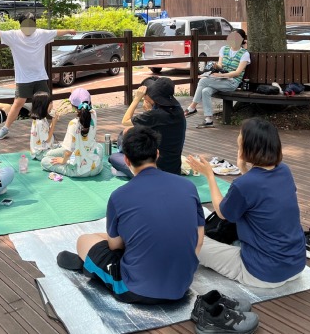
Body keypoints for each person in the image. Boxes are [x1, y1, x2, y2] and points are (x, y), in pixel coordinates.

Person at [56, 126, 205, 304]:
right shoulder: (188, 187)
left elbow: (115, 245)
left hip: (135, 289)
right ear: (157, 154)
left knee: (84, 240)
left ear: (126, 160)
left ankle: (90, 266)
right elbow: (199, 240)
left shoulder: (120, 195)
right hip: (181, 285)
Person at [187, 118, 305, 288]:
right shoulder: (284, 170)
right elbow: (261, 193)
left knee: (190, 239)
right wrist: (244, 169)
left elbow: (222, 212)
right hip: (296, 265)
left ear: (246, 148)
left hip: (262, 273)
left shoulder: (244, 184)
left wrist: (209, 175)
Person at [0, 14, 75, 140]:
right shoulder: (13, 35)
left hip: (40, 76)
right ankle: (5, 128)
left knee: (47, 102)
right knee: (18, 103)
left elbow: (56, 32)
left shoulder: (41, 34)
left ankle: (44, 128)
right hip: (24, 78)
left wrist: (69, 31)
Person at [111, 76, 185, 177]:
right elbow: (159, 127)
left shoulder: (155, 115)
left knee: (114, 157)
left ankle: (123, 154)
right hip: (174, 169)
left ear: (155, 96)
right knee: (127, 133)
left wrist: (137, 98)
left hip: (154, 172)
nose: (145, 96)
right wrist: (149, 111)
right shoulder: (179, 111)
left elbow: (125, 121)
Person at [185, 29, 250, 128]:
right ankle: (208, 119)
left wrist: (221, 75)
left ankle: (192, 107)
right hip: (221, 80)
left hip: (232, 82)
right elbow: (220, 65)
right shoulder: (224, 49)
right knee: (206, 91)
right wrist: (216, 66)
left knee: (203, 81)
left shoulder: (245, 54)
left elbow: (237, 72)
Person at [41, 88, 103, 178]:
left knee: (45, 160)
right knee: (99, 146)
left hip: (79, 171)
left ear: (73, 106)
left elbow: (68, 152)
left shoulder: (73, 124)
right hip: (97, 167)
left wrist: (63, 161)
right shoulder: (94, 114)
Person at [30, 91, 59, 161]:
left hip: (43, 149)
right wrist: (54, 123)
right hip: (42, 153)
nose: (52, 105)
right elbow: (47, 139)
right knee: (64, 150)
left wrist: (53, 121)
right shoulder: (40, 122)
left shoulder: (41, 119)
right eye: (50, 103)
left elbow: (47, 132)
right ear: (44, 106)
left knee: (63, 145)